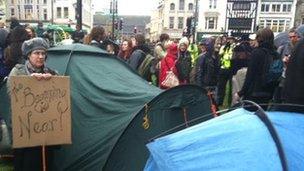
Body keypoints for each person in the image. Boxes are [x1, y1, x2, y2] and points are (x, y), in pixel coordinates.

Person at [7, 37, 57, 171]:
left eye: (43, 53)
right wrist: (30, 81)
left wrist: (51, 81)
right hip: (25, 130)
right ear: (29, 55)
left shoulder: (51, 73)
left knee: (45, 162)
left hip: (45, 131)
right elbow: (12, 94)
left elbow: (59, 97)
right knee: (27, 164)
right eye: (36, 53)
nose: (40, 57)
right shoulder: (18, 72)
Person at [235, 28, 278, 110]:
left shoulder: (257, 53)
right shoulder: (275, 54)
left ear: (259, 38)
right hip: (268, 92)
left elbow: (250, 75)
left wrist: (241, 93)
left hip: (254, 93)